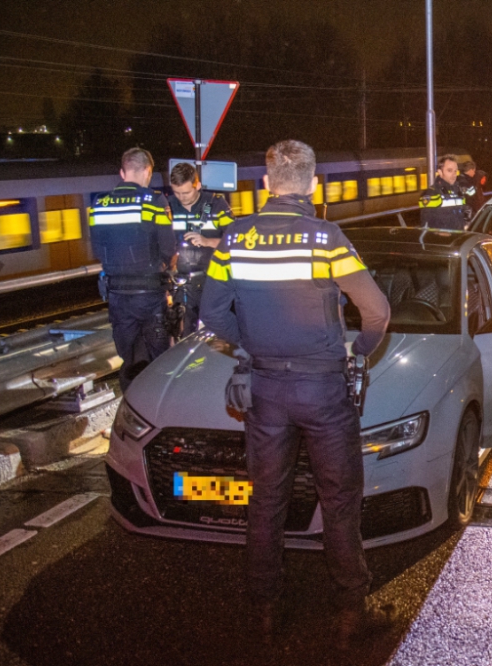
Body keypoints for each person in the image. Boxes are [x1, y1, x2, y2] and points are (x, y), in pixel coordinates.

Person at [200, 140, 392, 648]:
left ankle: (263, 611)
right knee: (339, 500)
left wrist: (251, 345)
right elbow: (376, 313)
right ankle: (351, 614)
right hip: (323, 389)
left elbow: (213, 314)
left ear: (266, 183)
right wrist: (359, 353)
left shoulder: (233, 239)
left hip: (265, 388)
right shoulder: (326, 239)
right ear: (312, 185)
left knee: (266, 499)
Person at [88, 147, 175, 390]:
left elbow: (96, 248)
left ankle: (131, 404)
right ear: (148, 171)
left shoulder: (99, 203)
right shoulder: (155, 201)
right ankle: (158, 410)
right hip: (150, 295)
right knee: (159, 358)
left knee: (129, 357)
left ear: (122, 172)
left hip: (116, 295)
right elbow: (168, 247)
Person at [166, 162, 235, 336]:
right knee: (183, 335)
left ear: (197, 185)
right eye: (177, 192)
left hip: (211, 282)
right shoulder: (168, 205)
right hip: (181, 285)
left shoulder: (216, 204)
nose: (181, 198)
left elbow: (234, 242)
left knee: (215, 334)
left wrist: (207, 241)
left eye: (186, 192)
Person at [418, 154, 469, 230]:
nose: (454, 174)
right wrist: (438, 234)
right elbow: (426, 225)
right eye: (449, 170)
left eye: (455, 171)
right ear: (440, 172)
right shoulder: (431, 194)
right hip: (442, 240)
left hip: (457, 238)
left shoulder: (458, 191)